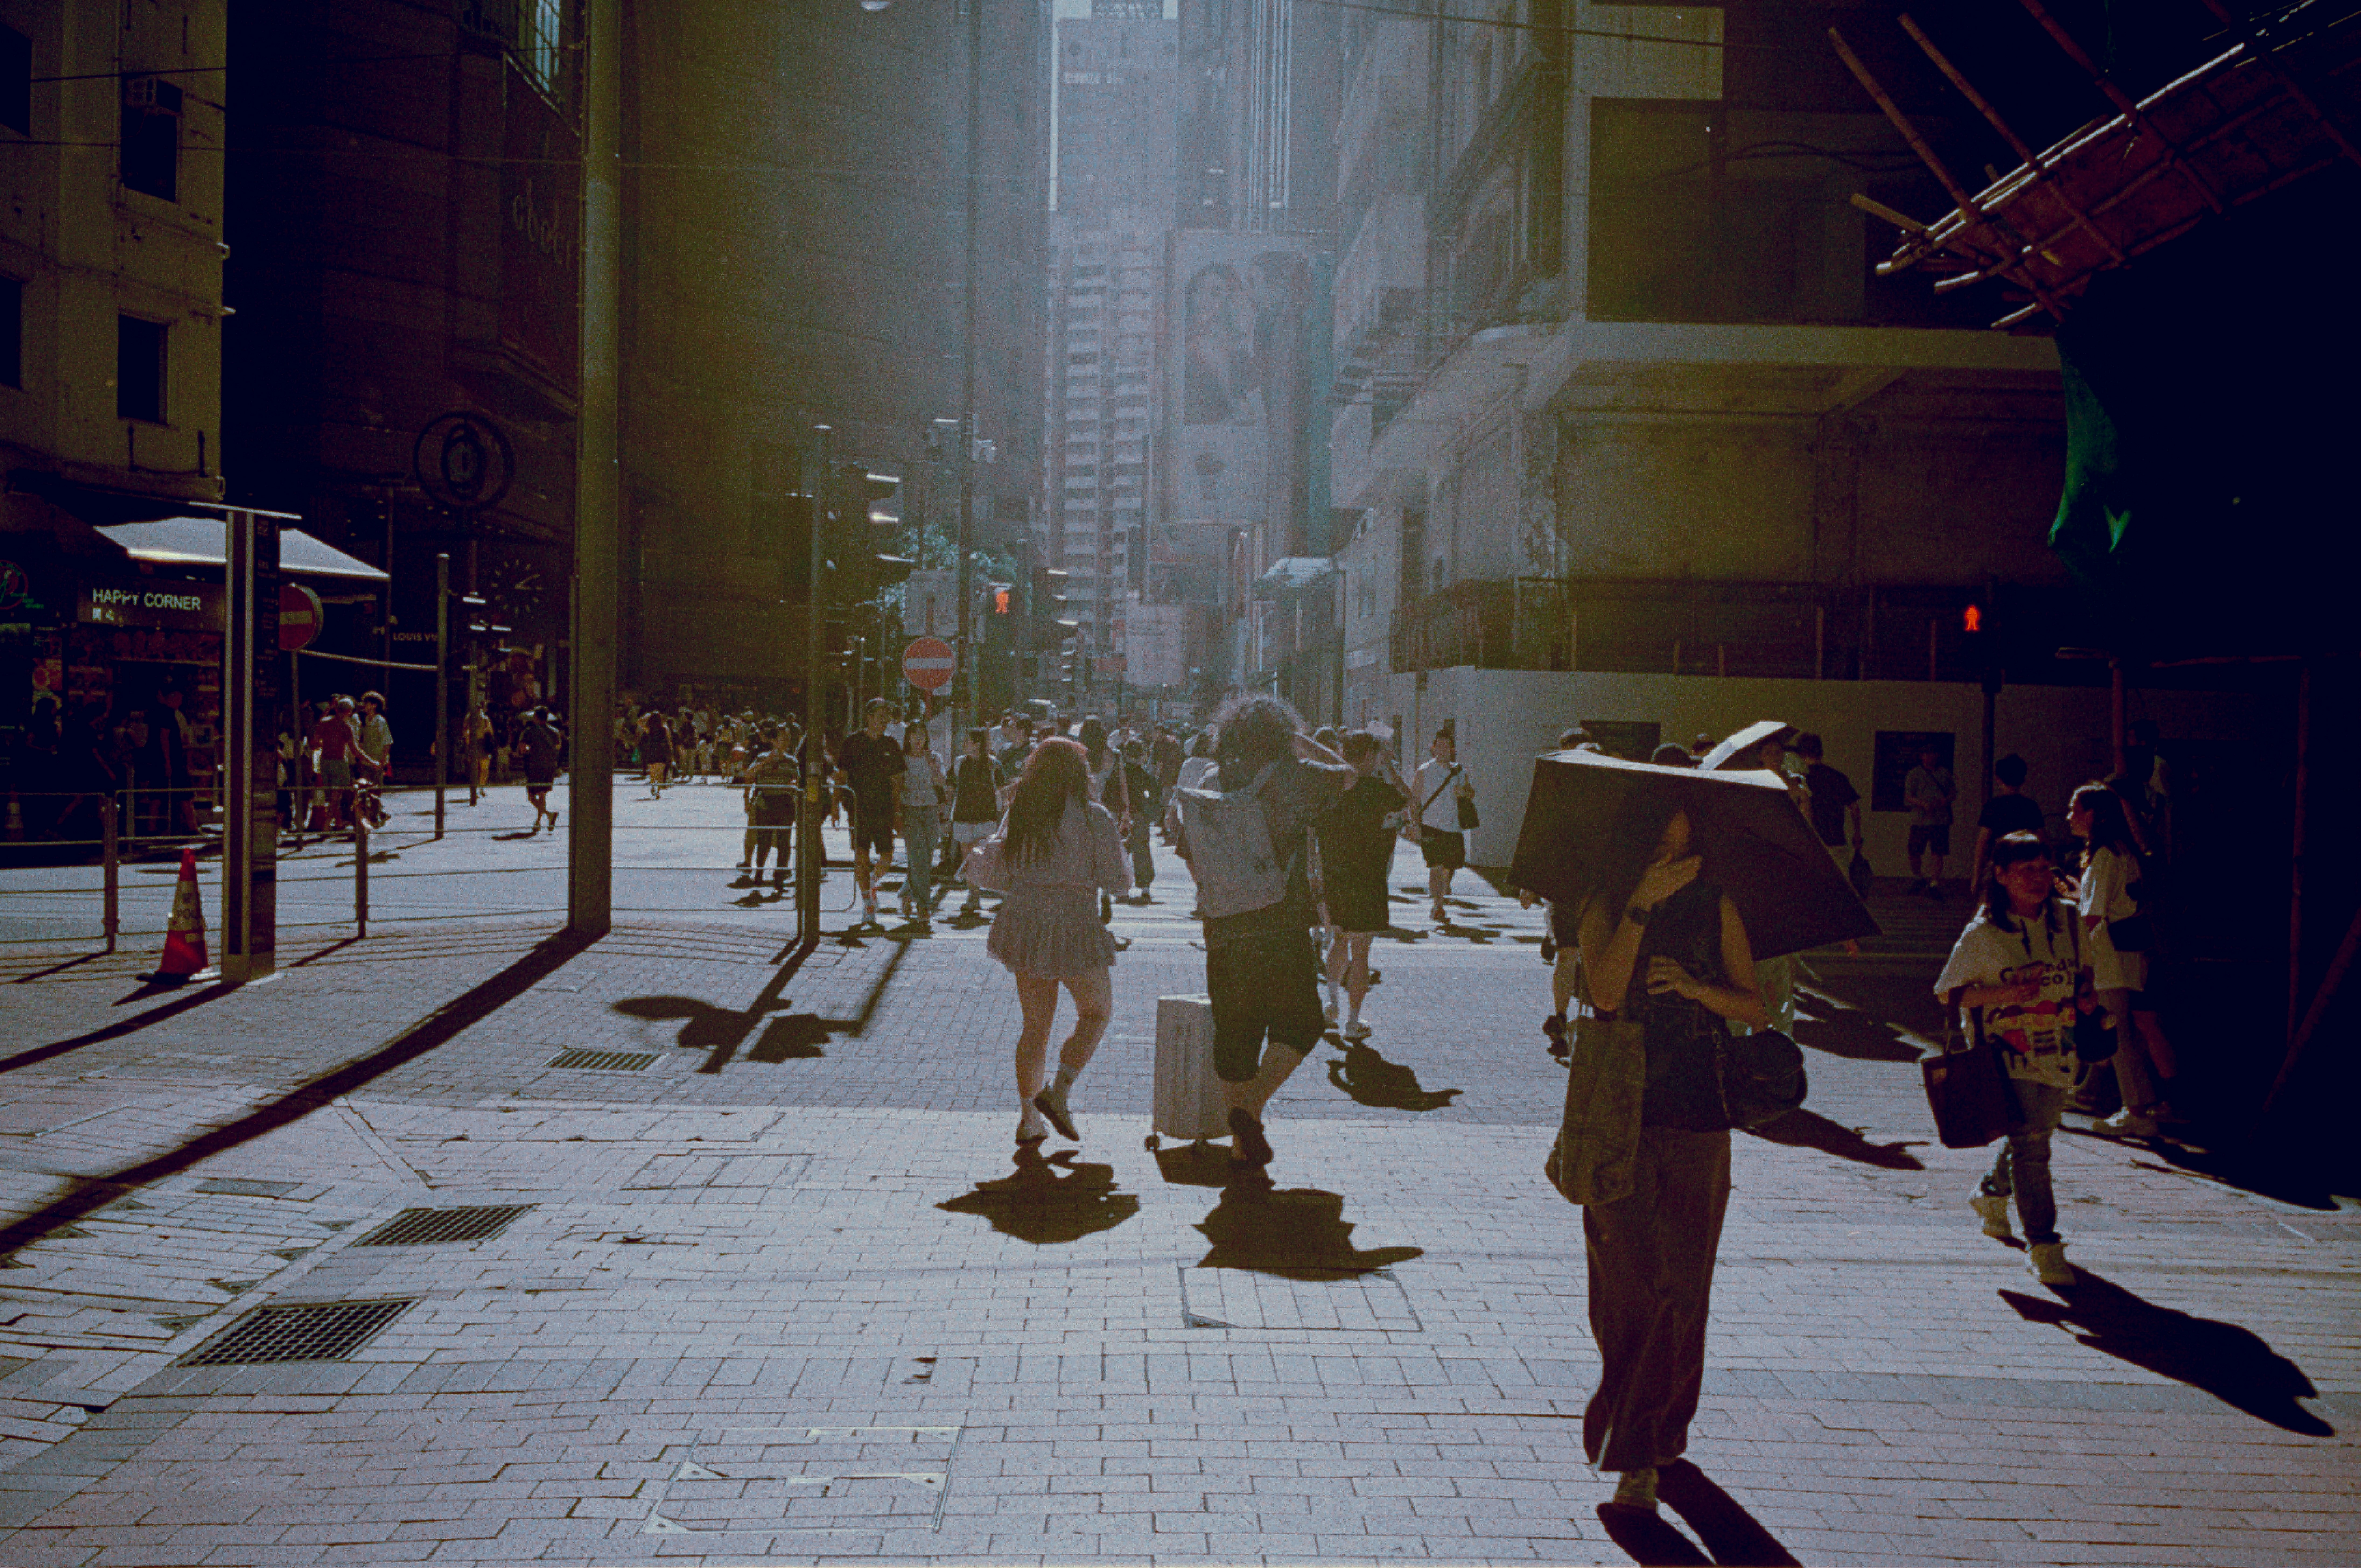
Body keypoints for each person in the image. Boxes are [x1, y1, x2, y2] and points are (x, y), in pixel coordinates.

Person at [1575, 791, 1766, 1513]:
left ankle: (1641, 1449)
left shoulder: (1715, 905)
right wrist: (1640, 907)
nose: (1674, 864)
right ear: (1637, 848)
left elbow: (1755, 1006)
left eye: (1684, 852)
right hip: (1615, 1111)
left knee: (1682, 1289)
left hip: (1697, 1113)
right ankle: (1644, 1425)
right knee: (1625, 1288)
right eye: (1660, 851)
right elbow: (1601, 990)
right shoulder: (1604, 902)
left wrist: (1694, 986)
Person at [1174, 694, 1351, 1168]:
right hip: (1280, 922)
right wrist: (1304, 743)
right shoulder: (1292, 776)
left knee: (1236, 1034)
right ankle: (1249, 1110)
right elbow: (1350, 777)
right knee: (1303, 1022)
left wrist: (1221, 896)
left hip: (1224, 930)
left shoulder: (1211, 781)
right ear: (1281, 732)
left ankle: (1240, 1148)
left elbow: (1190, 854)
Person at [1935, 830, 2101, 1288]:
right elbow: (1950, 993)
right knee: (2033, 1142)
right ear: (2002, 875)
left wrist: (2085, 995)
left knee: (2036, 1132)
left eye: (2044, 868)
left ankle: (1992, 1192)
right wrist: (2004, 993)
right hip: (2006, 1054)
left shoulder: (2068, 920)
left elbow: (2084, 972)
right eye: (2025, 870)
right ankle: (2045, 1244)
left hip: (2061, 1047)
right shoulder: (1984, 934)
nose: (2037, 878)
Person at [964, 737, 1131, 1145]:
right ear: (1080, 773)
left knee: (1034, 1027)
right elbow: (1119, 883)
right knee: (1096, 1012)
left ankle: (1028, 1119)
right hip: (1074, 921)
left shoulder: (1022, 811)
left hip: (1025, 921)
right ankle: (1059, 1091)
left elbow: (1005, 867)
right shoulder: (1095, 817)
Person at [2069, 783, 2180, 1137]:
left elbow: (2092, 916)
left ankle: (2135, 1109)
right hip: (2127, 955)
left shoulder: (2103, 856)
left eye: (2076, 809)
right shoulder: (2122, 852)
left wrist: (2069, 950)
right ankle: (2127, 1101)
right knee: (2121, 1031)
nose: (2070, 816)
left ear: (2093, 815)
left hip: (2107, 957)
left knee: (2117, 1034)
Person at [1316, 730, 1408, 1040]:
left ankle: (1331, 1003)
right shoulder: (1381, 791)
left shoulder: (1330, 790)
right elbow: (1409, 802)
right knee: (1362, 953)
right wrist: (1391, 768)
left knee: (1338, 940)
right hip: (1369, 880)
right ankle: (1353, 1022)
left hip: (1336, 878)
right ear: (1371, 756)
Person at [837, 699, 906, 926]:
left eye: (887, 715)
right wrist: (834, 807)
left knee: (887, 856)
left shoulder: (891, 745)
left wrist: (897, 814)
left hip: (884, 810)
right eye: (880, 715)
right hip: (859, 810)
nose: (885, 719)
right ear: (868, 717)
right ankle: (867, 903)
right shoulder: (852, 743)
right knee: (861, 857)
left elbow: (897, 782)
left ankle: (873, 882)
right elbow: (842, 776)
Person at [1412, 724, 1476, 926]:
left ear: (1453, 749)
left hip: (1453, 828)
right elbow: (1415, 799)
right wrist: (1414, 825)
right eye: (1440, 747)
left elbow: (1471, 793)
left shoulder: (1459, 771)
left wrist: (1463, 792)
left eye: (1448, 747)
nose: (1444, 751)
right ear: (1433, 748)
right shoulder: (1424, 771)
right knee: (1436, 868)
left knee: (1449, 869)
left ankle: (1440, 896)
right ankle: (1438, 906)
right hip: (1431, 826)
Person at [1077, 716, 1132, 922]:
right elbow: (1123, 785)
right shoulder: (1115, 756)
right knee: (1107, 855)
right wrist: (1127, 814)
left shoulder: (1079, 755)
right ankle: (1107, 895)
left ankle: (1089, 899)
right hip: (1110, 812)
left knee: (1086, 856)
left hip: (1085, 809)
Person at [948, 727, 1006, 919]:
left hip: (986, 817)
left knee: (982, 858)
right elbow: (949, 787)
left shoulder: (993, 765)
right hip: (963, 817)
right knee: (968, 858)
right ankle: (973, 895)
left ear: (978, 744)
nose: (964, 745)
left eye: (968, 741)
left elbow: (1002, 790)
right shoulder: (959, 764)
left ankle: (978, 893)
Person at [895, 722, 946, 926]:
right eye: (914, 735)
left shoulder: (935, 757)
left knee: (925, 858)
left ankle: (907, 893)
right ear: (908, 738)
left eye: (922, 735)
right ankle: (923, 905)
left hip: (931, 810)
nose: (918, 739)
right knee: (918, 857)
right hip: (911, 811)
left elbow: (942, 782)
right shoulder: (903, 759)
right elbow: (897, 787)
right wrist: (897, 814)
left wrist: (933, 767)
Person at [1971, 754, 2045, 892]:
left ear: (1998, 779)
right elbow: (2042, 840)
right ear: (2023, 780)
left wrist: (1976, 877)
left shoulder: (1993, 807)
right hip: (2025, 863)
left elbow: (1982, 843)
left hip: (1999, 864)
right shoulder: (2031, 807)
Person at [1793, 732, 1863, 864]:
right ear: (1821, 753)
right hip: (1837, 841)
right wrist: (1857, 835)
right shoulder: (1838, 777)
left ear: (1801, 754)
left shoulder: (1800, 780)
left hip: (1811, 842)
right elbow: (1855, 809)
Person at [742, 733, 800, 891]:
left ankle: (779, 878)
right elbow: (749, 775)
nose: (785, 744)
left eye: (788, 741)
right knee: (764, 841)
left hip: (784, 803)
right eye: (782, 740)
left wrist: (793, 783)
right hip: (766, 803)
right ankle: (760, 872)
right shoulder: (762, 757)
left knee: (784, 844)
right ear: (775, 742)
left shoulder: (792, 761)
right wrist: (766, 762)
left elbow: (798, 780)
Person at [1905, 743, 1956, 897]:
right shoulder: (1914, 774)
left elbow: (1953, 793)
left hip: (1940, 820)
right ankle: (1918, 878)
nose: (1930, 757)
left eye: (1932, 754)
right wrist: (1923, 804)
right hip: (1920, 820)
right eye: (1926, 754)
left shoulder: (1945, 774)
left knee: (1938, 853)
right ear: (1922, 757)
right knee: (1914, 852)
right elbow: (1908, 796)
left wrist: (1943, 802)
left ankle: (1935, 883)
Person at [310, 696, 362, 828]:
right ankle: (327, 825)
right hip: (339, 763)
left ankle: (338, 823)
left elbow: (315, 742)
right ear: (349, 712)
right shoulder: (346, 727)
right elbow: (355, 751)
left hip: (325, 761)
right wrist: (373, 762)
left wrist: (325, 744)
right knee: (336, 796)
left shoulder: (324, 722)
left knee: (333, 796)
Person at [517, 706, 563, 829]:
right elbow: (558, 747)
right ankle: (540, 821)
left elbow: (522, 748)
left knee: (532, 797)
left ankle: (548, 815)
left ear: (536, 717)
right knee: (542, 794)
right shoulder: (555, 731)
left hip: (534, 766)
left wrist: (528, 751)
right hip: (549, 767)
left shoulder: (529, 731)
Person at [1151, 720, 1185, 839]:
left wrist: (1156, 777)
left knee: (1165, 802)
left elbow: (1160, 762)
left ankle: (1170, 830)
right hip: (1177, 777)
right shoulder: (1174, 741)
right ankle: (1170, 829)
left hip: (1166, 778)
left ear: (1160, 733)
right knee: (1172, 803)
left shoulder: (1161, 743)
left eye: (1154, 733)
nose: (1153, 735)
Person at [641, 709, 674, 797]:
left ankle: (653, 786)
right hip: (662, 753)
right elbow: (669, 741)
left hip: (652, 752)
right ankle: (659, 791)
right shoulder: (665, 728)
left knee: (653, 772)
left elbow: (640, 722)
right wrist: (671, 752)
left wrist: (649, 715)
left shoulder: (649, 729)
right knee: (660, 773)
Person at [467, 705, 495, 802]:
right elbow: (491, 732)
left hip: (479, 744)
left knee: (480, 769)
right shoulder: (474, 719)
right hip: (478, 745)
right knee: (481, 769)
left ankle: (479, 788)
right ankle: (479, 788)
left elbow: (491, 732)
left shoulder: (481, 719)